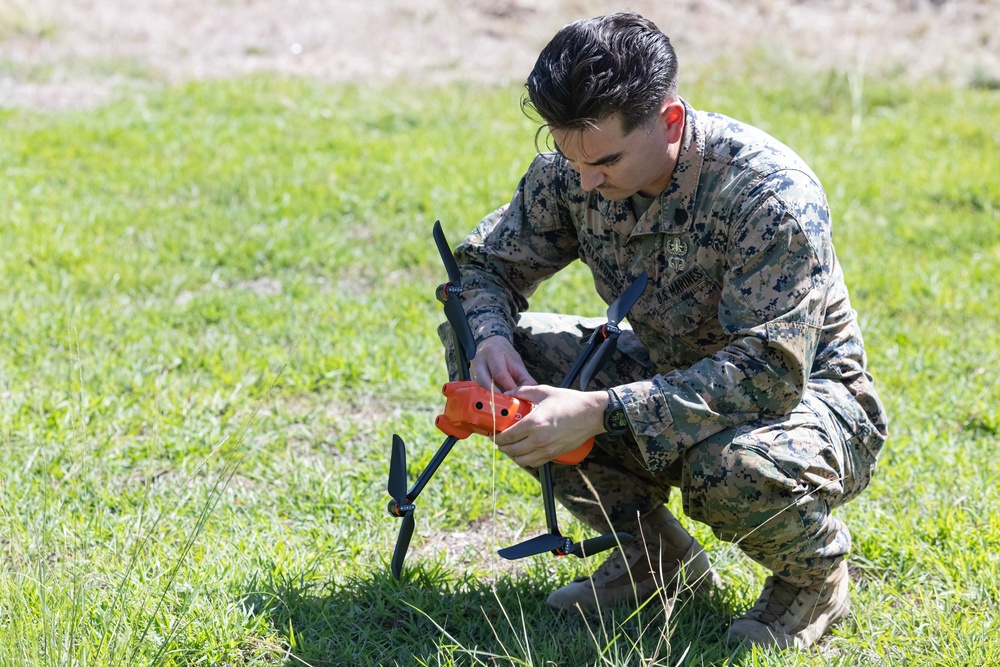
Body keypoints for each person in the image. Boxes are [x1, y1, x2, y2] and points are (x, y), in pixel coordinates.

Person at [438, 11, 887, 651]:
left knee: (729, 463)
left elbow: (766, 375)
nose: (586, 180)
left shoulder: (767, 194)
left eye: (607, 161)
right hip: (667, 366)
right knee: (490, 360)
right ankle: (653, 560)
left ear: (670, 121)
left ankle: (812, 579)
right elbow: (483, 266)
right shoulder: (579, 165)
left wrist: (598, 410)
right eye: (570, 157)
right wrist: (490, 338)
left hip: (810, 402)